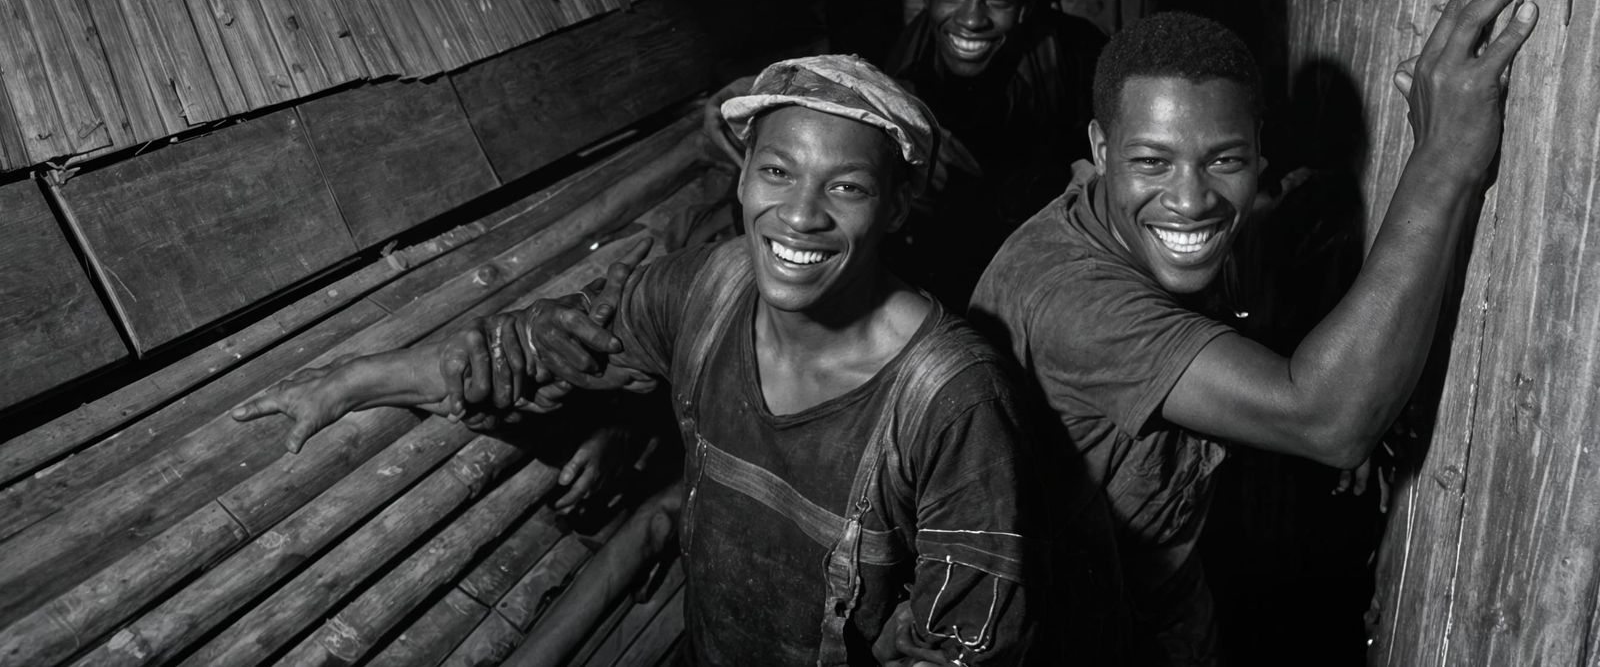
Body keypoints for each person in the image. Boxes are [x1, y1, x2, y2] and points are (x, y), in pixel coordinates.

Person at [236, 55, 1054, 666]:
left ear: (898, 206)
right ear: (741, 183)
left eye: (846, 188)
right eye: (776, 172)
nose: (799, 214)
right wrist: (352, 380)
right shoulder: (705, 289)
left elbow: (966, 645)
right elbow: (540, 351)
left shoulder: (951, 400)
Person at [967, 0, 1539, 665]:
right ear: (1100, 149)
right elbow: (1329, 421)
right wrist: (1445, 156)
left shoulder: (1112, 220)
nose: (1192, 199)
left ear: (1259, 151)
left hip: (1158, 606)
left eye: (1224, 160)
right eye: (1152, 162)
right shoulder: (1072, 299)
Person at [705, 0, 1104, 308]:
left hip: (1039, 258)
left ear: (1027, 1)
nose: (971, 19)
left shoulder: (1077, 57)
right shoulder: (902, 56)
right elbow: (837, 92)